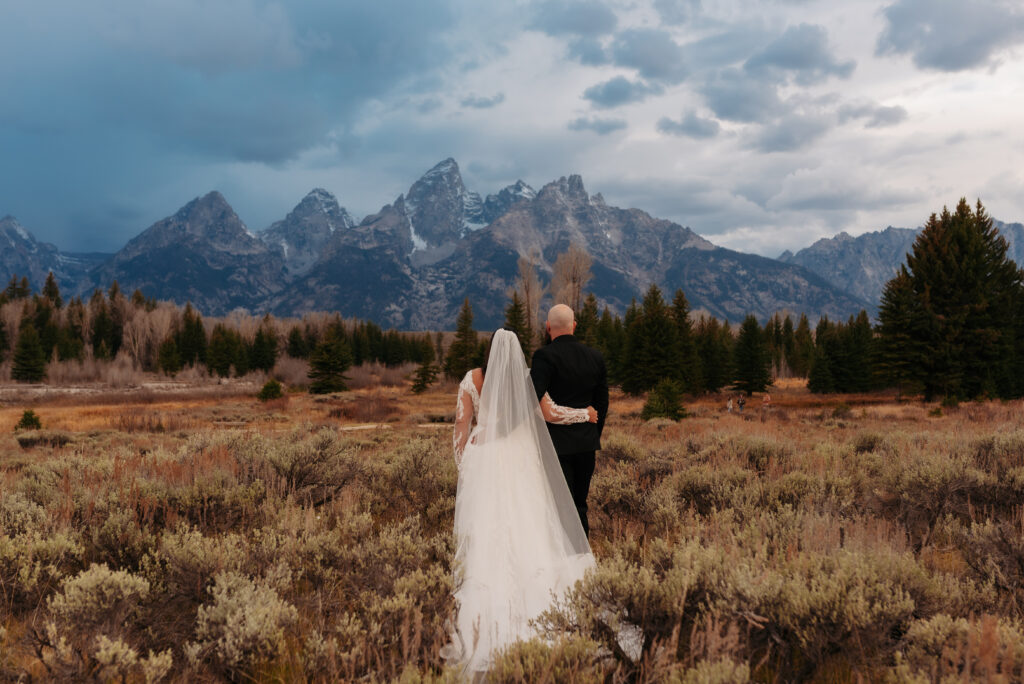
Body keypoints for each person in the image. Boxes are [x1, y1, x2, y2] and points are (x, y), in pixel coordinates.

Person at [445, 328, 597, 676]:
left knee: (486, 532)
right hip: (518, 459)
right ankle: (542, 613)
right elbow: (550, 413)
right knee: (530, 526)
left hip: (484, 462)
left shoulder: (472, 379)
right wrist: (583, 414)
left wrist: (465, 469)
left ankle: (485, 625)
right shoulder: (525, 379)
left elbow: (460, 427)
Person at [530, 304, 609, 538]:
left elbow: (532, 397)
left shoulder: (544, 356)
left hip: (555, 445)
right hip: (586, 443)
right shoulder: (596, 357)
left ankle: (564, 560)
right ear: (574, 326)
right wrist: (593, 433)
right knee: (579, 504)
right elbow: (602, 404)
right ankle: (582, 559)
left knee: (558, 506)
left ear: (547, 327)